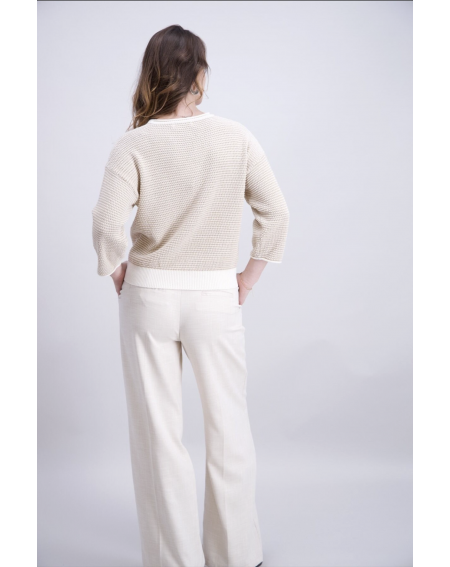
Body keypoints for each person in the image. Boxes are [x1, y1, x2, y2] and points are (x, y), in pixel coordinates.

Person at [92, 24, 289, 567]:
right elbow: (276, 212)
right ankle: (237, 555)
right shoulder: (235, 136)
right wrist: (246, 280)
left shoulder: (133, 143)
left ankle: (172, 559)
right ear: (199, 74)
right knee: (229, 428)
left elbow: (106, 223)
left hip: (148, 295)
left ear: (151, 73)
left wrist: (117, 272)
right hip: (214, 296)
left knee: (159, 434)